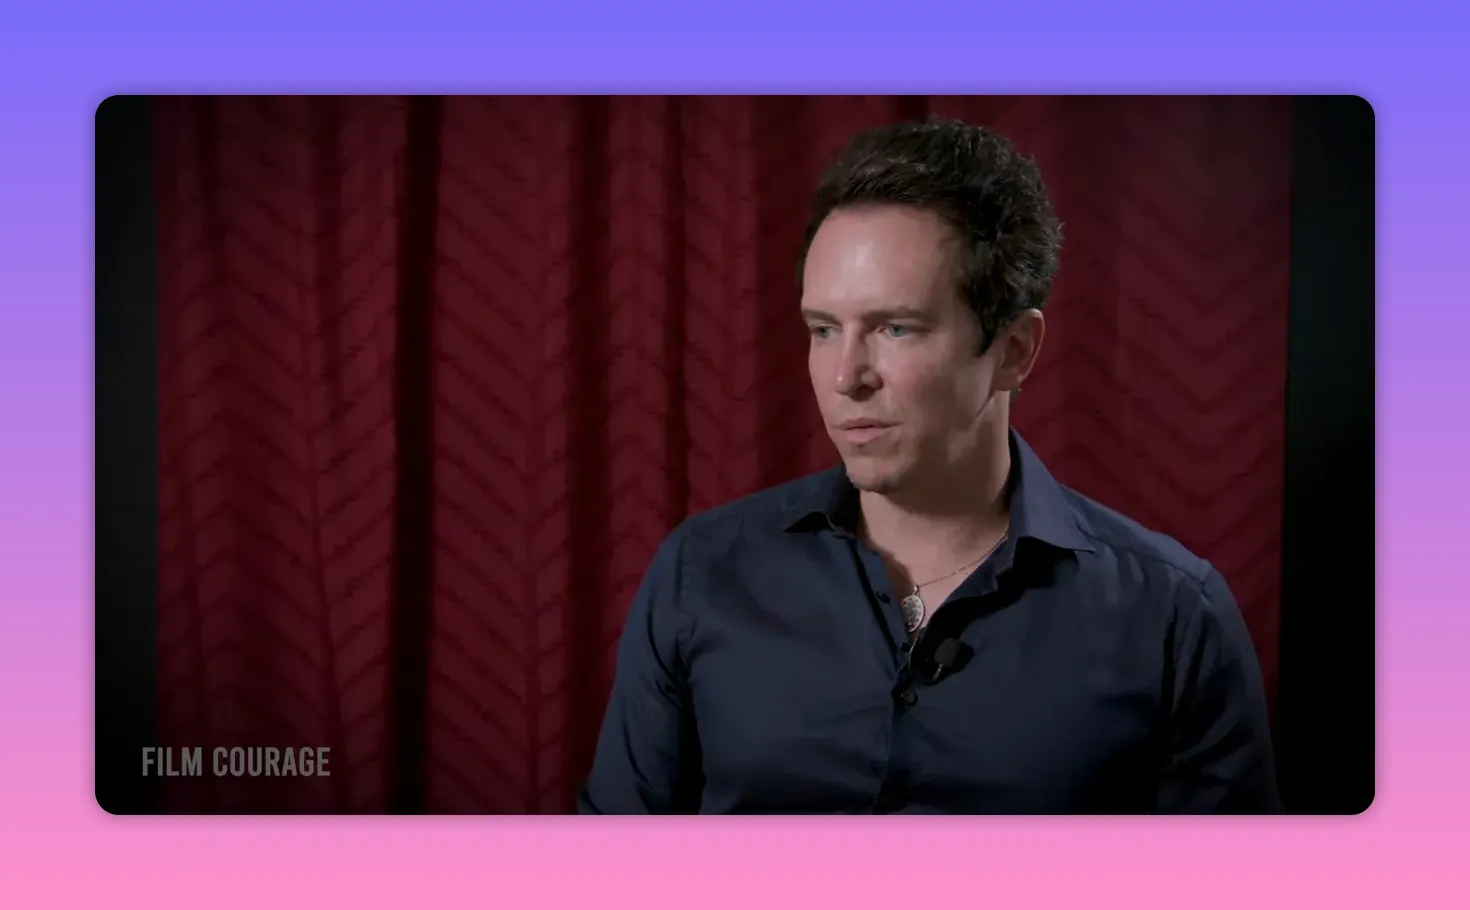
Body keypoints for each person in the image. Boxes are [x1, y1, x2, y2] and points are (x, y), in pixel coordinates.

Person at [578, 118, 1282, 814]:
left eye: (895, 328)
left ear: (1014, 350)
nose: (846, 376)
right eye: (823, 330)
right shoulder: (702, 573)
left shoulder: (1172, 617)